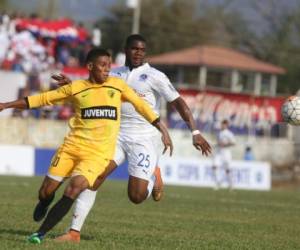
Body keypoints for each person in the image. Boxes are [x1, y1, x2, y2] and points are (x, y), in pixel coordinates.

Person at [0, 47, 173, 244]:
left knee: (74, 189)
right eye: (103, 65)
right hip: (71, 148)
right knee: (46, 192)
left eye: (109, 65)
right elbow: (41, 99)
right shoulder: (76, 88)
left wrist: (162, 129)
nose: (107, 70)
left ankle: (40, 234)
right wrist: (7, 105)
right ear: (90, 67)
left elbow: (142, 106)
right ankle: (45, 202)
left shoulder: (117, 86)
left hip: (97, 155)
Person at [53, 34, 212, 243]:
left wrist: (195, 132)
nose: (138, 53)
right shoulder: (114, 74)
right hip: (116, 136)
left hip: (144, 139)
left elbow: (179, 103)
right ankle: (74, 232)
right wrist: (72, 85)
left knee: (136, 197)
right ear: (126, 49)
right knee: (93, 178)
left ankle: (154, 176)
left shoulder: (155, 76)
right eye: (134, 49)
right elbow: (92, 91)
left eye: (142, 50)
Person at [212, 119, 235, 190]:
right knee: (215, 166)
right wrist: (216, 144)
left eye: (224, 124)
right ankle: (217, 183)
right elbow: (219, 142)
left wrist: (225, 144)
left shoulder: (229, 133)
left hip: (226, 153)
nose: (222, 125)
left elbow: (233, 143)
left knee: (228, 169)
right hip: (219, 152)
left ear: (227, 125)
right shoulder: (219, 133)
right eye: (222, 124)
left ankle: (231, 185)